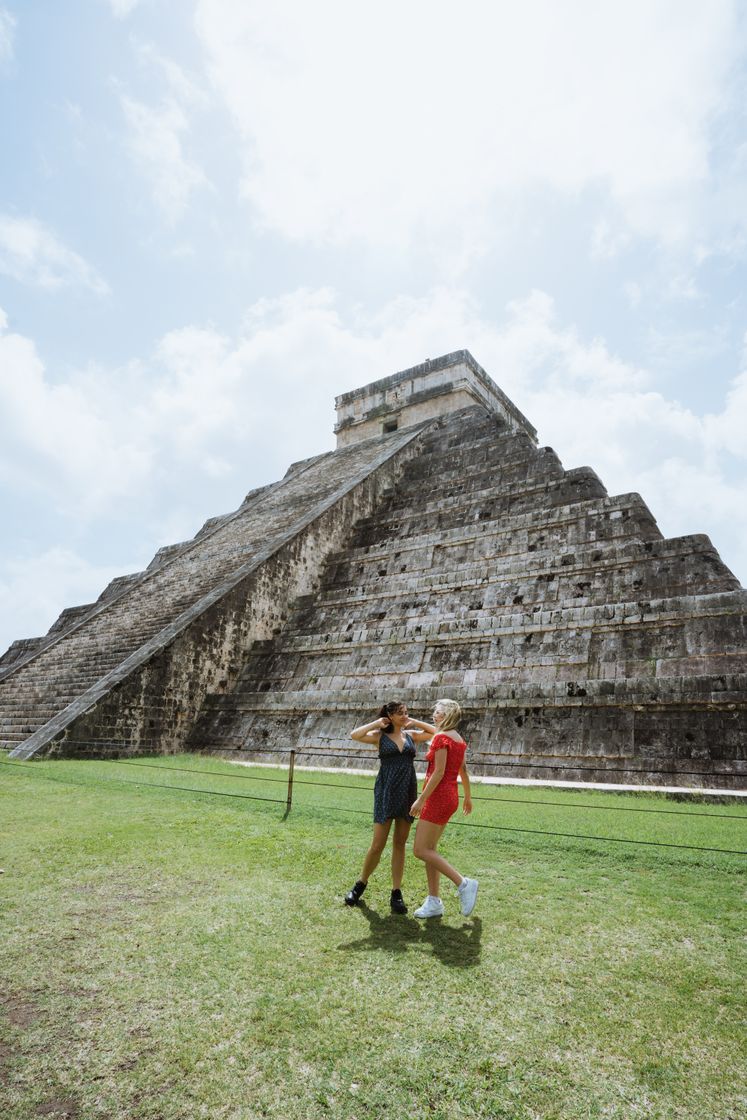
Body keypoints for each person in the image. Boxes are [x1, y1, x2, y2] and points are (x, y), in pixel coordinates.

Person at [344, 701, 435, 914]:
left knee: (400, 843)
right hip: (386, 790)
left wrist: (414, 721)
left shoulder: (411, 735)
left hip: (407, 791)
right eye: (400, 713)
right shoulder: (380, 736)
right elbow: (354, 735)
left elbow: (435, 731)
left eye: (406, 712)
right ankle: (360, 885)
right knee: (377, 844)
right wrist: (376, 722)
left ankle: (396, 893)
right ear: (390, 716)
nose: (405, 716)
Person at [410, 698, 478, 918]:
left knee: (420, 850)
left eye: (438, 713)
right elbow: (464, 771)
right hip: (451, 796)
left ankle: (463, 883)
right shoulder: (457, 738)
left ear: (447, 715)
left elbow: (438, 772)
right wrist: (467, 797)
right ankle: (434, 901)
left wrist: (421, 800)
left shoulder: (441, 738)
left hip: (438, 796)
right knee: (430, 849)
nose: (434, 715)